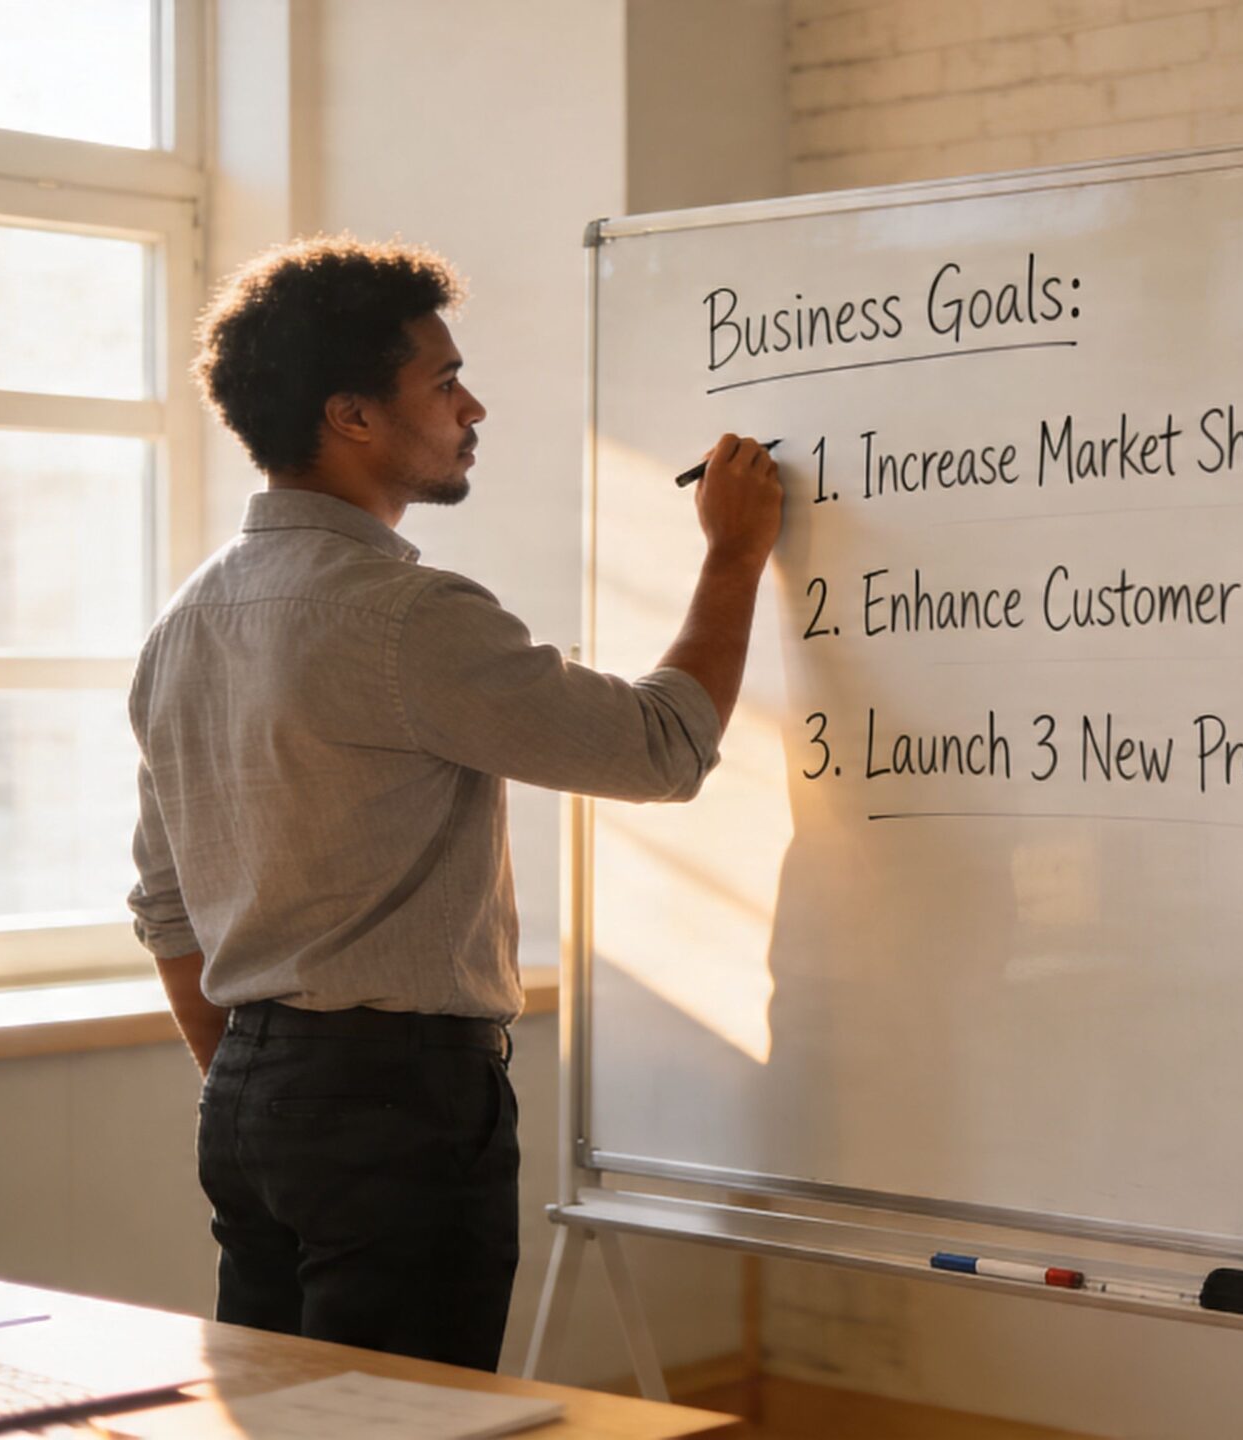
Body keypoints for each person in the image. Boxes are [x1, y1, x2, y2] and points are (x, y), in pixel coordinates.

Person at [125, 235, 781, 1369]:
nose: (472, 405)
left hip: (246, 1094)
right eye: (443, 380)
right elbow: (662, 748)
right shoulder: (403, 615)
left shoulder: (185, 620)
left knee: (285, 1419)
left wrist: (270, 1086)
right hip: (395, 1101)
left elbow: (165, 908)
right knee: (410, 1420)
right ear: (354, 416)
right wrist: (733, 558)